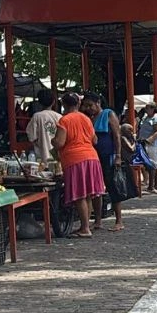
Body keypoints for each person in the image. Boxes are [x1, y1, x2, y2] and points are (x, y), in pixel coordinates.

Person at [52, 93, 104, 238]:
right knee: (88, 194)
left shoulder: (64, 120)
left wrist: (53, 142)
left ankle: (85, 228)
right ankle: (85, 225)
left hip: (75, 159)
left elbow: (60, 142)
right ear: (79, 104)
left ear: (64, 104)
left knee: (80, 194)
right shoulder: (86, 119)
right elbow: (95, 140)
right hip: (92, 157)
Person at [82, 92, 124, 231]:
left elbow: (117, 136)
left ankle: (119, 220)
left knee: (112, 186)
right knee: (96, 189)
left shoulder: (108, 114)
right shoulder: (89, 118)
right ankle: (98, 220)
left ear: (98, 103)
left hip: (109, 155)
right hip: (94, 157)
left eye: (90, 105)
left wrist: (118, 155)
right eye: (86, 106)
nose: (89, 108)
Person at [138, 101, 157, 193]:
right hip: (146, 143)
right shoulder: (147, 118)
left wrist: (149, 140)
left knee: (152, 163)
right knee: (153, 163)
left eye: (147, 108)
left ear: (152, 109)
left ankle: (152, 185)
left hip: (153, 144)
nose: (146, 110)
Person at [25, 89, 61, 162]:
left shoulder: (37, 116)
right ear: (53, 102)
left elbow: (31, 137)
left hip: (41, 156)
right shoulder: (59, 117)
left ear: (39, 102)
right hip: (57, 156)